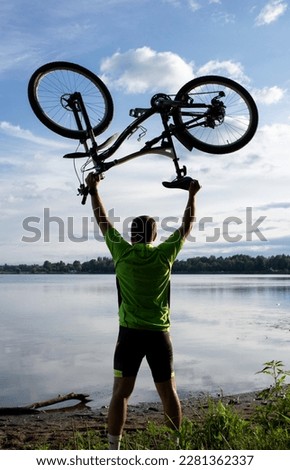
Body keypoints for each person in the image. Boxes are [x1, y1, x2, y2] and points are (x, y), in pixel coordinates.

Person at [85, 172, 201, 450]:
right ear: (156, 235)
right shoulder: (164, 255)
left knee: (120, 395)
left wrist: (93, 190)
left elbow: (102, 220)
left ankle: (113, 450)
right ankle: (176, 445)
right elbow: (186, 227)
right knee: (168, 393)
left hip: (129, 336)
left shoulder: (122, 253)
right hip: (160, 335)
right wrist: (192, 195)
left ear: (131, 235)